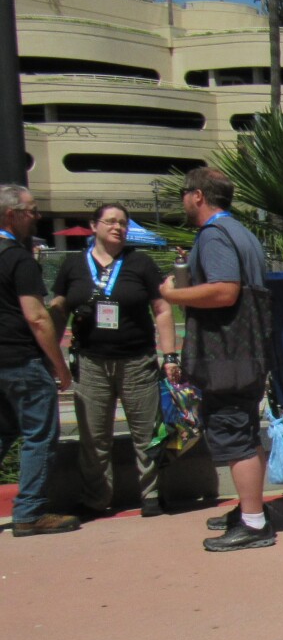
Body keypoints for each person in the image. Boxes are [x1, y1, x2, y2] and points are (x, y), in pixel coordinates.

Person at [159, 168, 275, 550]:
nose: (182, 200)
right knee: (243, 428)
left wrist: (173, 296)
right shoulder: (241, 233)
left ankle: (254, 524)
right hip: (248, 351)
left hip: (226, 353)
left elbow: (225, 291)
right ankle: (250, 510)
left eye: (183, 193)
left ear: (197, 195)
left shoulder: (213, 235)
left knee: (231, 431)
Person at [50, 203, 181, 517]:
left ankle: (151, 496)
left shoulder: (141, 263)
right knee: (93, 437)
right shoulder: (73, 265)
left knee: (147, 433)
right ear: (94, 225)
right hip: (90, 363)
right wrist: (50, 355)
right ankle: (96, 498)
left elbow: (162, 311)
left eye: (122, 223)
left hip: (137, 361)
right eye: (110, 221)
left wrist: (170, 356)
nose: (117, 227)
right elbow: (58, 310)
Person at [1, 185, 80, 537]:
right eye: (31, 210)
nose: (37, 216)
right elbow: (36, 317)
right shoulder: (17, 258)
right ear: (11, 214)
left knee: (3, 432)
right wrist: (60, 367)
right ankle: (30, 512)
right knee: (40, 435)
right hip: (21, 359)